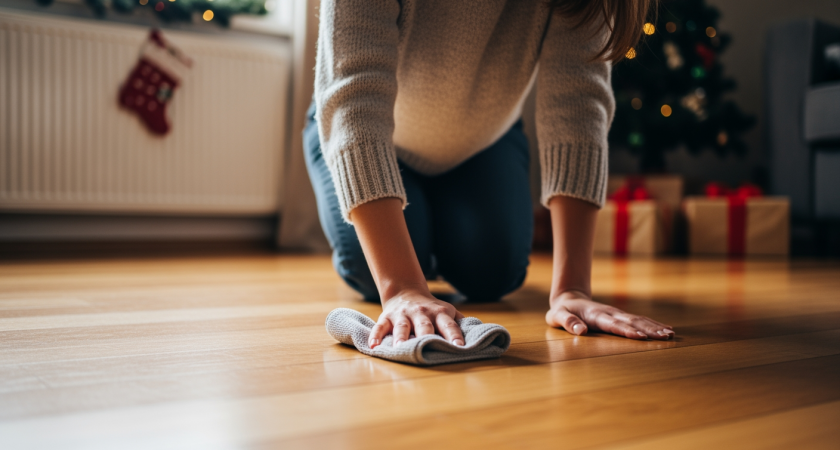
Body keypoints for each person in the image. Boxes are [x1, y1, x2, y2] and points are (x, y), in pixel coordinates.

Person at [305, 0, 675, 349]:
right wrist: (402, 287)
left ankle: (431, 226)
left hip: (485, 138)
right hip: (369, 131)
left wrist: (572, 290)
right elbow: (353, 98)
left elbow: (578, 103)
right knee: (373, 274)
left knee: (494, 275)